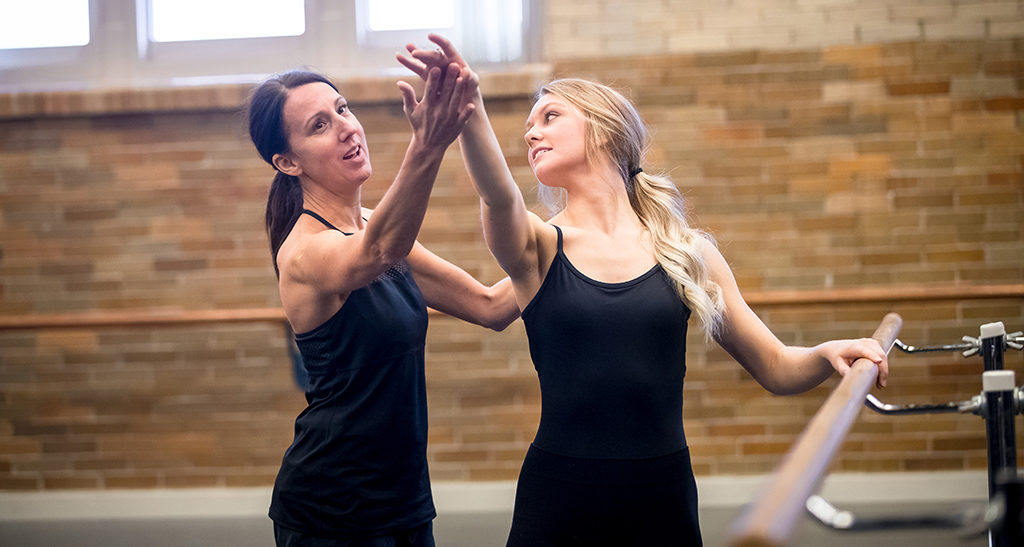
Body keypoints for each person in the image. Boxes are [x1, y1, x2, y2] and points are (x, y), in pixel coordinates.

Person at [398, 35, 890, 546]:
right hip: (560, 496)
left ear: (605, 129)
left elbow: (775, 366)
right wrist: (470, 110)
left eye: (550, 117)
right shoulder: (540, 247)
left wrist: (829, 352)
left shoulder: (687, 252)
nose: (531, 134)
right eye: (529, 125)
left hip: (663, 494)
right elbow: (498, 196)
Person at [246, 65, 519, 546]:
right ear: (288, 163)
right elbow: (376, 253)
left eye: (342, 108)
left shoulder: (373, 227)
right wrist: (428, 144)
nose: (347, 126)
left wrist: (574, 247)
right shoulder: (304, 253)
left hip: (404, 502)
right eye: (319, 125)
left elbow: (491, 305)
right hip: (331, 511)